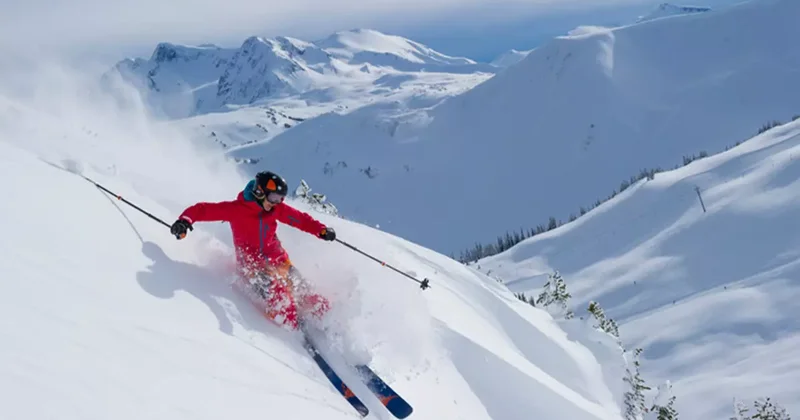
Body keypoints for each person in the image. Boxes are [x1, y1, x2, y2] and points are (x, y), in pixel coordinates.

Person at [169, 170, 336, 330]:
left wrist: (320, 230)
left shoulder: (275, 208)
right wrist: (185, 221)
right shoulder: (236, 210)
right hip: (252, 269)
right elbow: (203, 210)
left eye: (280, 198)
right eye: (274, 197)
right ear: (259, 191)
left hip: (279, 260)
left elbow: (300, 220)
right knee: (283, 300)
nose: (277, 202)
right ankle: (293, 335)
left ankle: (328, 324)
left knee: (306, 292)